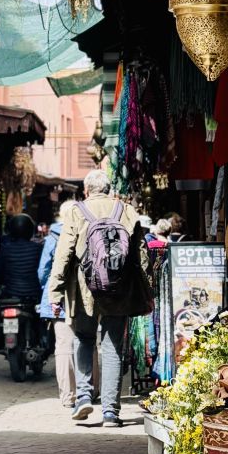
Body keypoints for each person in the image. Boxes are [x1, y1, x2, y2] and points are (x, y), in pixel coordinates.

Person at [48, 168, 153, 428]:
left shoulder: (76, 211)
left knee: (83, 339)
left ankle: (84, 396)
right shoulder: (126, 210)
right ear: (109, 190)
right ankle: (110, 413)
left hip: (84, 291)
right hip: (118, 290)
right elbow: (141, 255)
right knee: (112, 348)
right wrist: (145, 289)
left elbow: (64, 254)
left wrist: (55, 291)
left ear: (86, 190)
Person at [38, 215, 75, 409]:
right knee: (88, 341)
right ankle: (91, 391)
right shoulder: (84, 229)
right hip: (83, 296)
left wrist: (48, 288)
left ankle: (68, 395)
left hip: (58, 297)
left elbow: (43, 270)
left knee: (63, 345)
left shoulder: (53, 237)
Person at [0, 214, 42, 304]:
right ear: (30, 230)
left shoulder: (5, 249)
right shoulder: (38, 248)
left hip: (10, 296)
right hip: (33, 296)